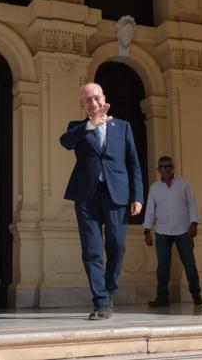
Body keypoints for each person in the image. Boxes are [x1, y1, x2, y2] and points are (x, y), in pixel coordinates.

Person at [60, 82, 143, 320]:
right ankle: (101, 301)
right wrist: (90, 125)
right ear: (82, 104)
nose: (93, 103)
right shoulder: (77, 127)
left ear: (104, 98)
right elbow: (65, 142)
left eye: (96, 98)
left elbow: (133, 163)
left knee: (117, 246)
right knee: (92, 250)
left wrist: (137, 195)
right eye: (87, 100)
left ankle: (109, 289)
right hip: (86, 196)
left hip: (117, 194)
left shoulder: (123, 127)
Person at [143, 156, 202, 307]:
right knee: (163, 266)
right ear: (158, 170)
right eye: (162, 167)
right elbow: (150, 210)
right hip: (162, 231)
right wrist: (147, 230)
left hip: (183, 230)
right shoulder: (154, 188)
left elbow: (192, 204)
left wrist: (194, 223)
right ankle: (162, 297)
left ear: (173, 168)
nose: (166, 169)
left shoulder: (183, 184)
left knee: (189, 263)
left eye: (169, 166)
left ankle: (196, 293)